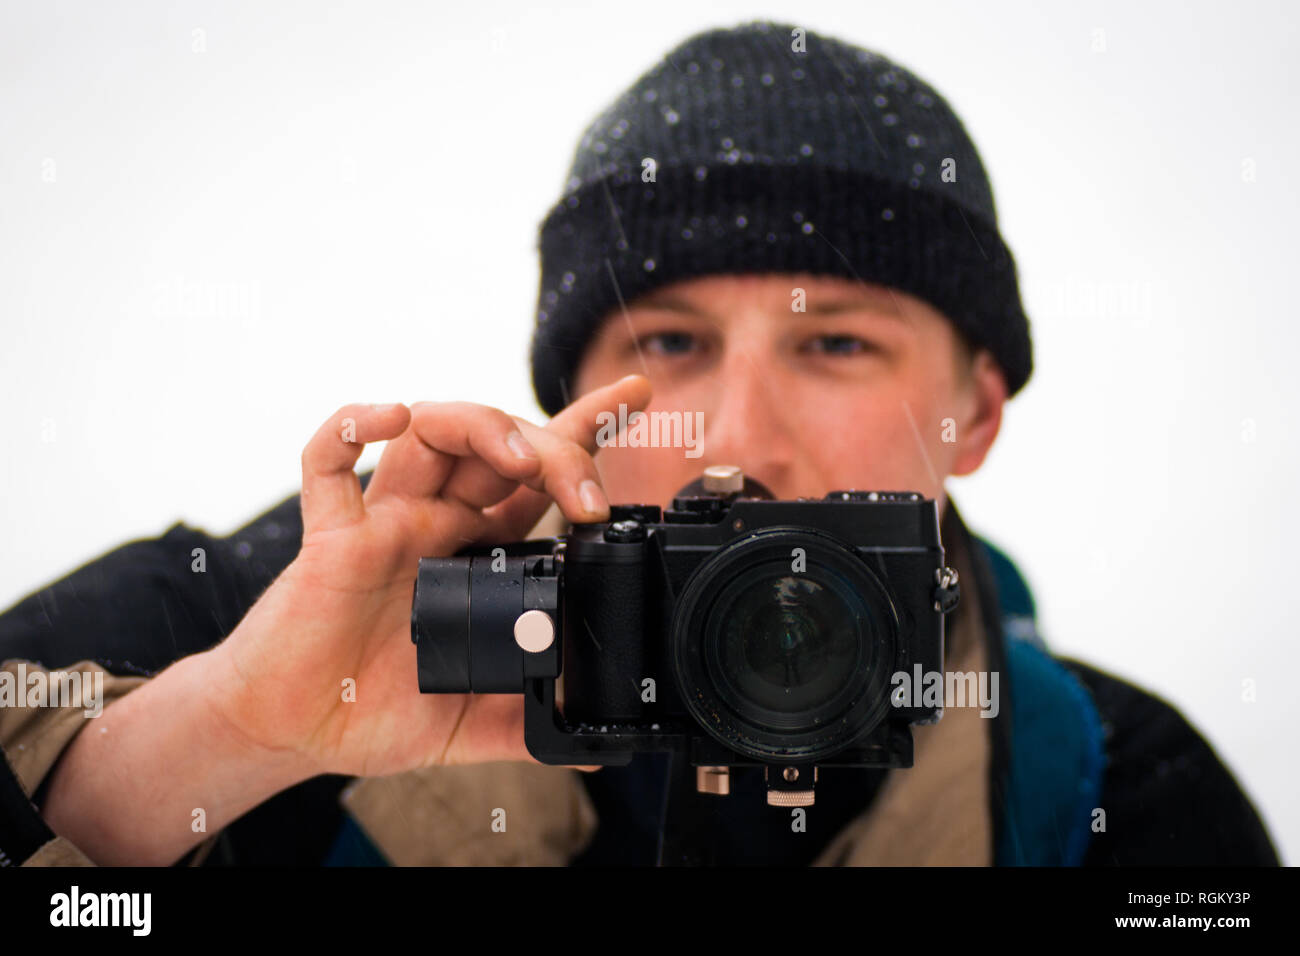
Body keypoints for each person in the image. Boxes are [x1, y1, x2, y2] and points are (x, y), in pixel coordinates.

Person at [0, 20, 1279, 867]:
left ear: (976, 413)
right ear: (572, 406)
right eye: (666, 341)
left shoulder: (1123, 799)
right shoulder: (270, 613)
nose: (736, 436)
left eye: (835, 343)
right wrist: (223, 737)